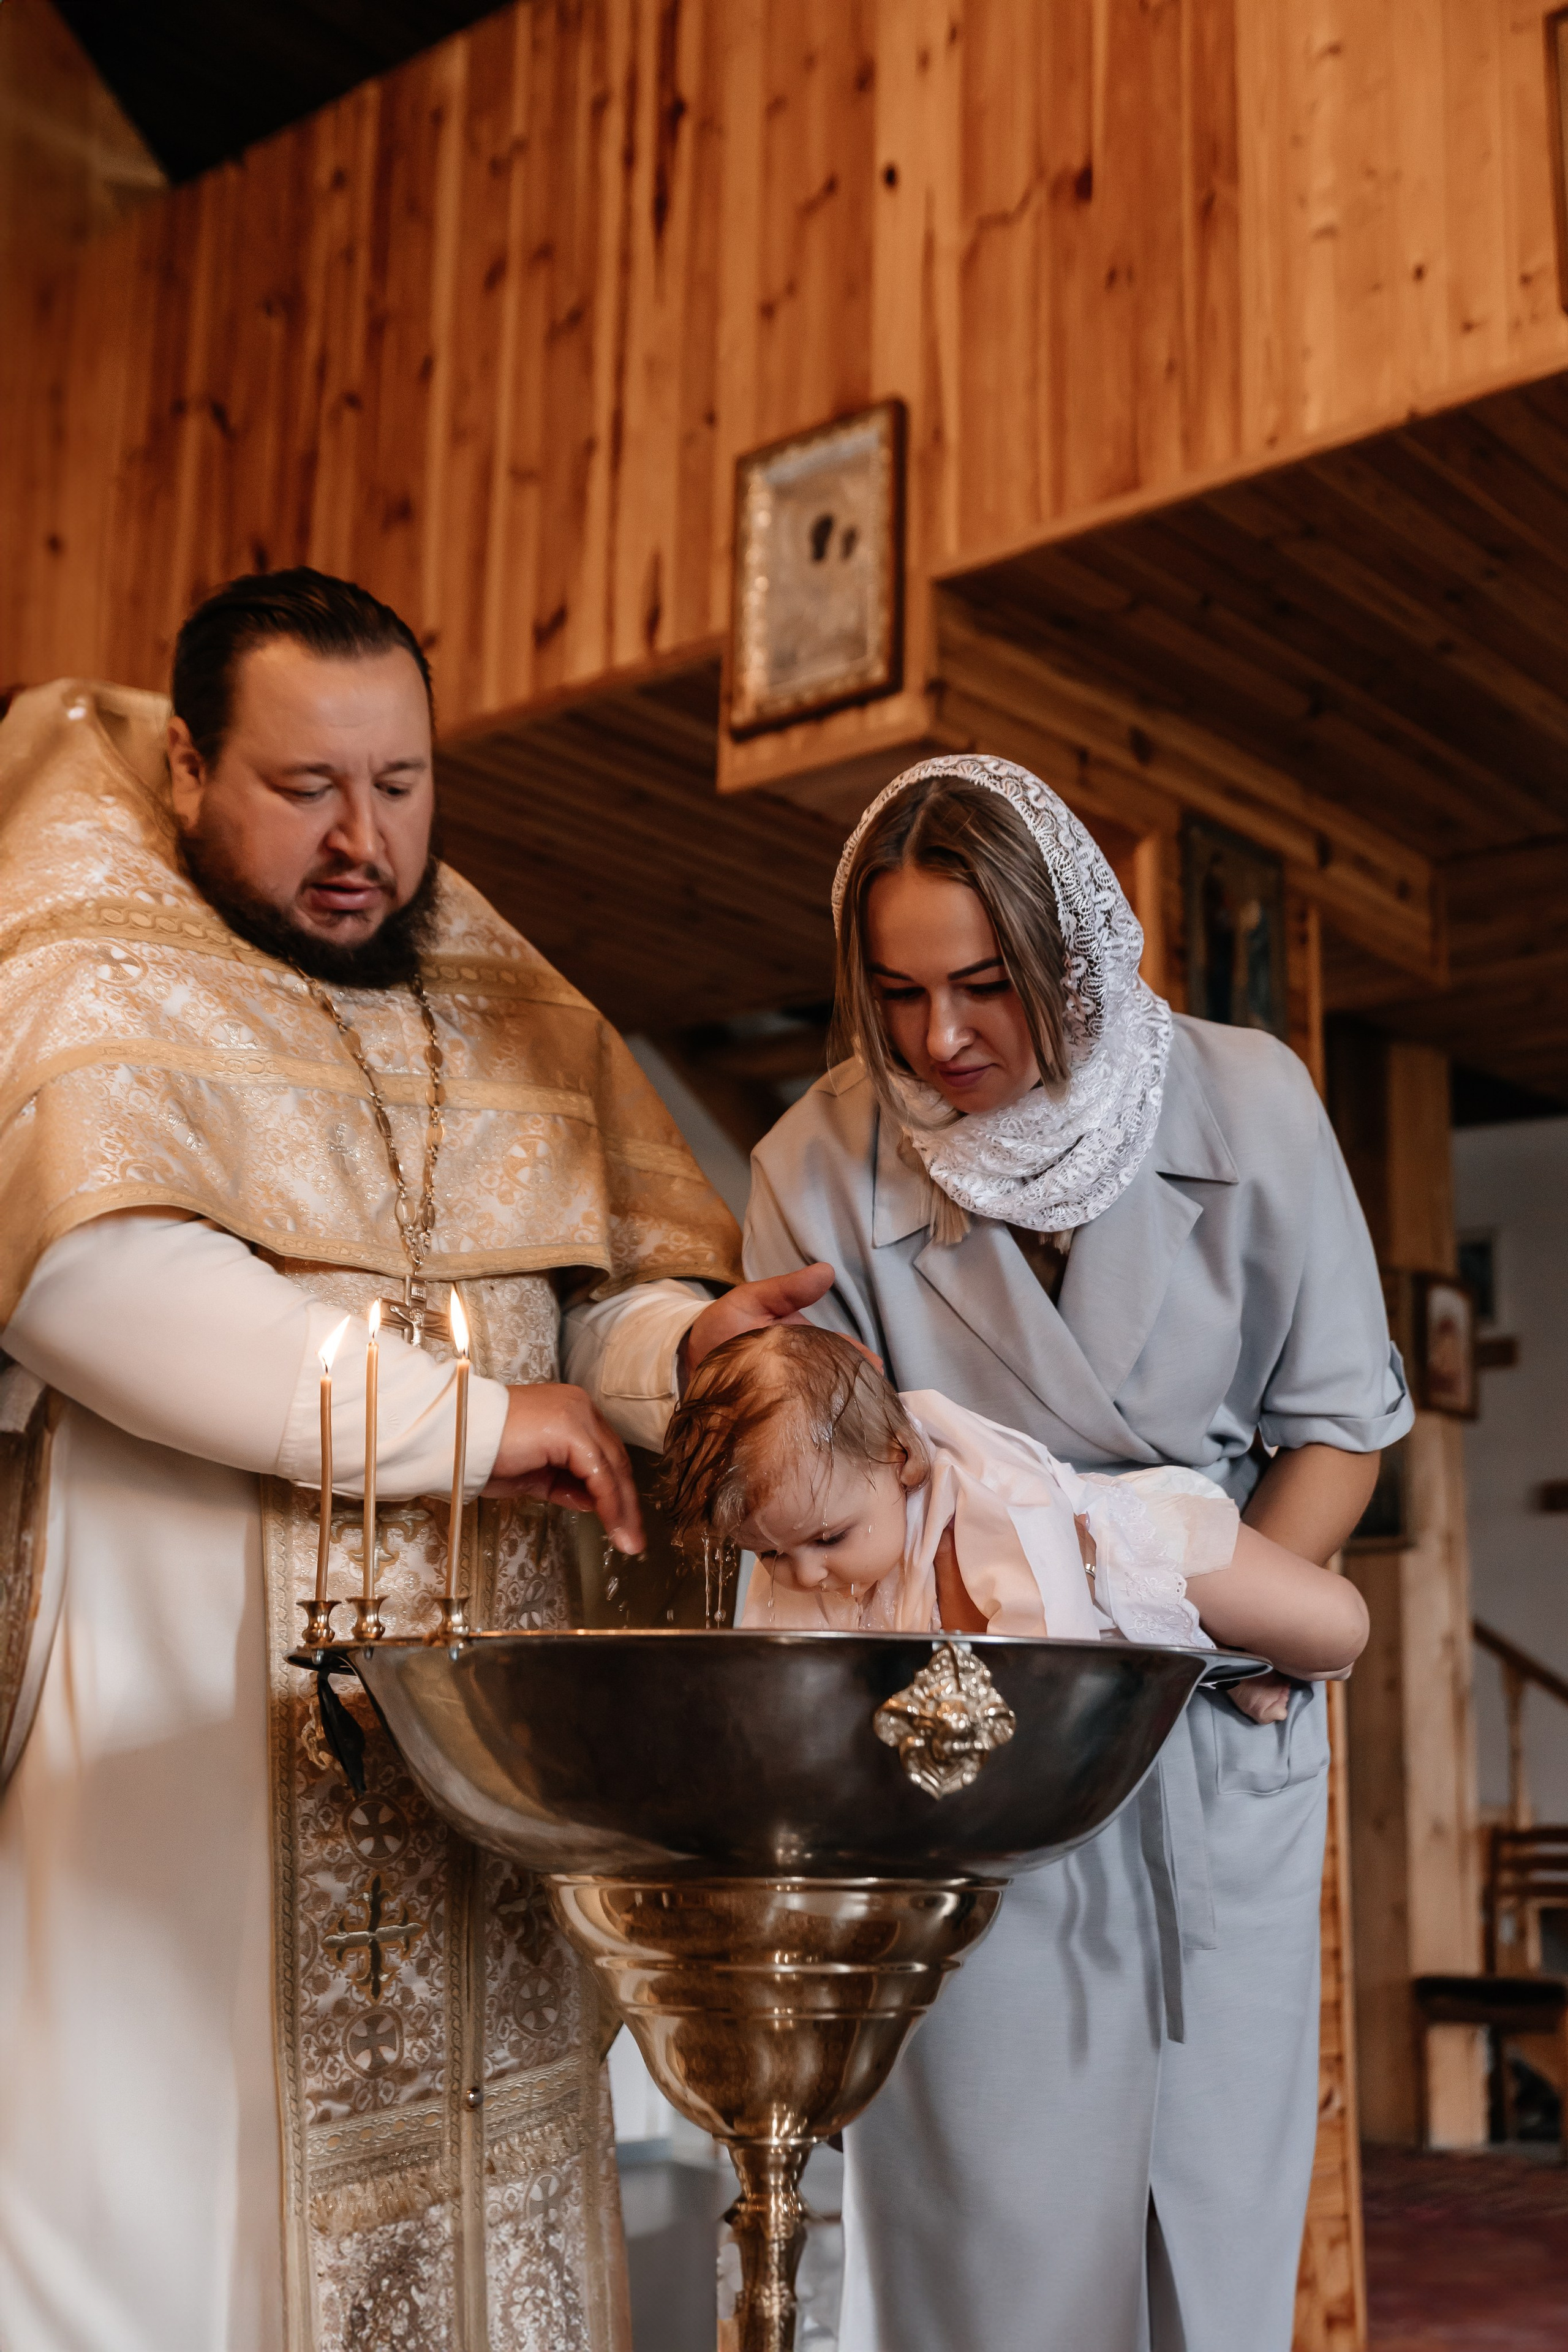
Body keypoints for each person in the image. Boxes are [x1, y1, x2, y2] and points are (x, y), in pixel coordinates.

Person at [0, 569, 827, 2352]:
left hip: (483, 1782)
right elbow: (89, 1277)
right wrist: (467, 1426)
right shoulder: (90, 958)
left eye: (400, 782)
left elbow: (579, 1301)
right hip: (193, 1752)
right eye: (304, 787)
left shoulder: (500, 997)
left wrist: (680, 1354)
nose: (361, 841)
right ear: (187, 766)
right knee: (175, 2223)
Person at [741, 754, 1413, 2352]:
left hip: (1216, 1709)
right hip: (969, 1743)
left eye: (986, 985)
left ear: (1076, 954)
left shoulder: (1248, 1099)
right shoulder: (811, 1168)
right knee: (999, 2248)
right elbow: (815, 1497)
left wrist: (1216, 1630)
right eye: (897, 993)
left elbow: (1341, 1426)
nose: (941, 1039)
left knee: (1216, 2230)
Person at [661, 1325, 1370, 1717]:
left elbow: (1048, 1659)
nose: (805, 1573)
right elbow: (783, 1674)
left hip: (1127, 1548)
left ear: (901, 1457)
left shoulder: (986, 1497)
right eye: (771, 1555)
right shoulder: (808, 1523)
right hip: (1098, 1623)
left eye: (828, 1540)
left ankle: (1249, 1654)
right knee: (1201, 1660)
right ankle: (1225, 1667)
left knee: (1332, 1627)